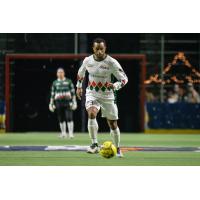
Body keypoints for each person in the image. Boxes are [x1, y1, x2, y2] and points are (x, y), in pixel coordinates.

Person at [76, 38, 128, 157]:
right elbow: (80, 74)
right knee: (91, 113)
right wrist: (79, 87)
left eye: (101, 49)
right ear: (93, 49)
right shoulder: (87, 61)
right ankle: (94, 144)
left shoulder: (112, 62)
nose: (99, 51)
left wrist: (115, 85)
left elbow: (124, 79)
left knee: (113, 124)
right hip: (92, 93)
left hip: (108, 96)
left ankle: (118, 148)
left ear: (105, 49)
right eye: (97, 49)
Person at [49, 68, 77, 138]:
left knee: (69, 117)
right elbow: (52, 94)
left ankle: (70, 133)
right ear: (57, 74)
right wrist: (51, 103)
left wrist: (74, 102)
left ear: (64, 73)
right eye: (59, 72)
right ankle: (63, 133)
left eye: (61, 72)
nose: (60, 74)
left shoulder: (68, 81)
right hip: (58, 102)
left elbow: (73, 93)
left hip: (67, 101)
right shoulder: (55, 83)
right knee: (61, 118)